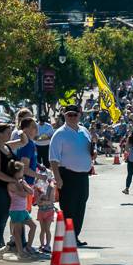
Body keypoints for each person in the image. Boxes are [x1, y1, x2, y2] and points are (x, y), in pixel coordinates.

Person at [49, 104, 93, 246]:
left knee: (81, 205)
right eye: (69, 115)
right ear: (65, 116)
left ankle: (74, 236)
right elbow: (53, 158)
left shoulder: (85, 131)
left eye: (74, 114)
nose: (72, 117)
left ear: (79, 115)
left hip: (83, 176)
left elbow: (90, 150)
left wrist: (93, 153)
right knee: (68, 207)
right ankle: (68, 237)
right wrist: (58, 178)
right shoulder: (60, 133)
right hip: (67, 175)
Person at [0, 124, 25, 250]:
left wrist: (20, 129)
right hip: (1, 188)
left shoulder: (8, 146)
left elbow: (24, 141)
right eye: (8, 132)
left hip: (13, 187)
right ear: (0, 134)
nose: (10, 135)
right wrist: (13, 180)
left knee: (17, 214)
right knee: (3, 216)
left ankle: (18, 243)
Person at [6, 160, 38, 256]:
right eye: (21, 171)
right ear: (16, 172)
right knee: (18, 232)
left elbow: (31, 192)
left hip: (23, 210)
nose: (23, 173)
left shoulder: (22, 181)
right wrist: (23, 187)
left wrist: (24, 184)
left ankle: (28, 246)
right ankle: (20, 251)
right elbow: (23, 194)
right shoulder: (11, 183)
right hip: (15, 210)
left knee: (33, 226)